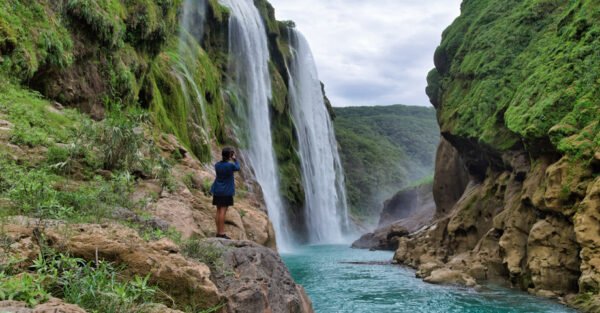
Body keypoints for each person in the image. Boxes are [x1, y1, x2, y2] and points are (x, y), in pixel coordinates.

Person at [210, 147, 240, 239]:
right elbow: (238, 167)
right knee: (223, 211)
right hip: (226, 191)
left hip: (217, 190)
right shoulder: (230, 166)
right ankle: (221, 233)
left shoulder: (217, 165)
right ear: (230, 156)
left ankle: (218, 232)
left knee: (218, 210)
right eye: (231, 154)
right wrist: (235, 160)